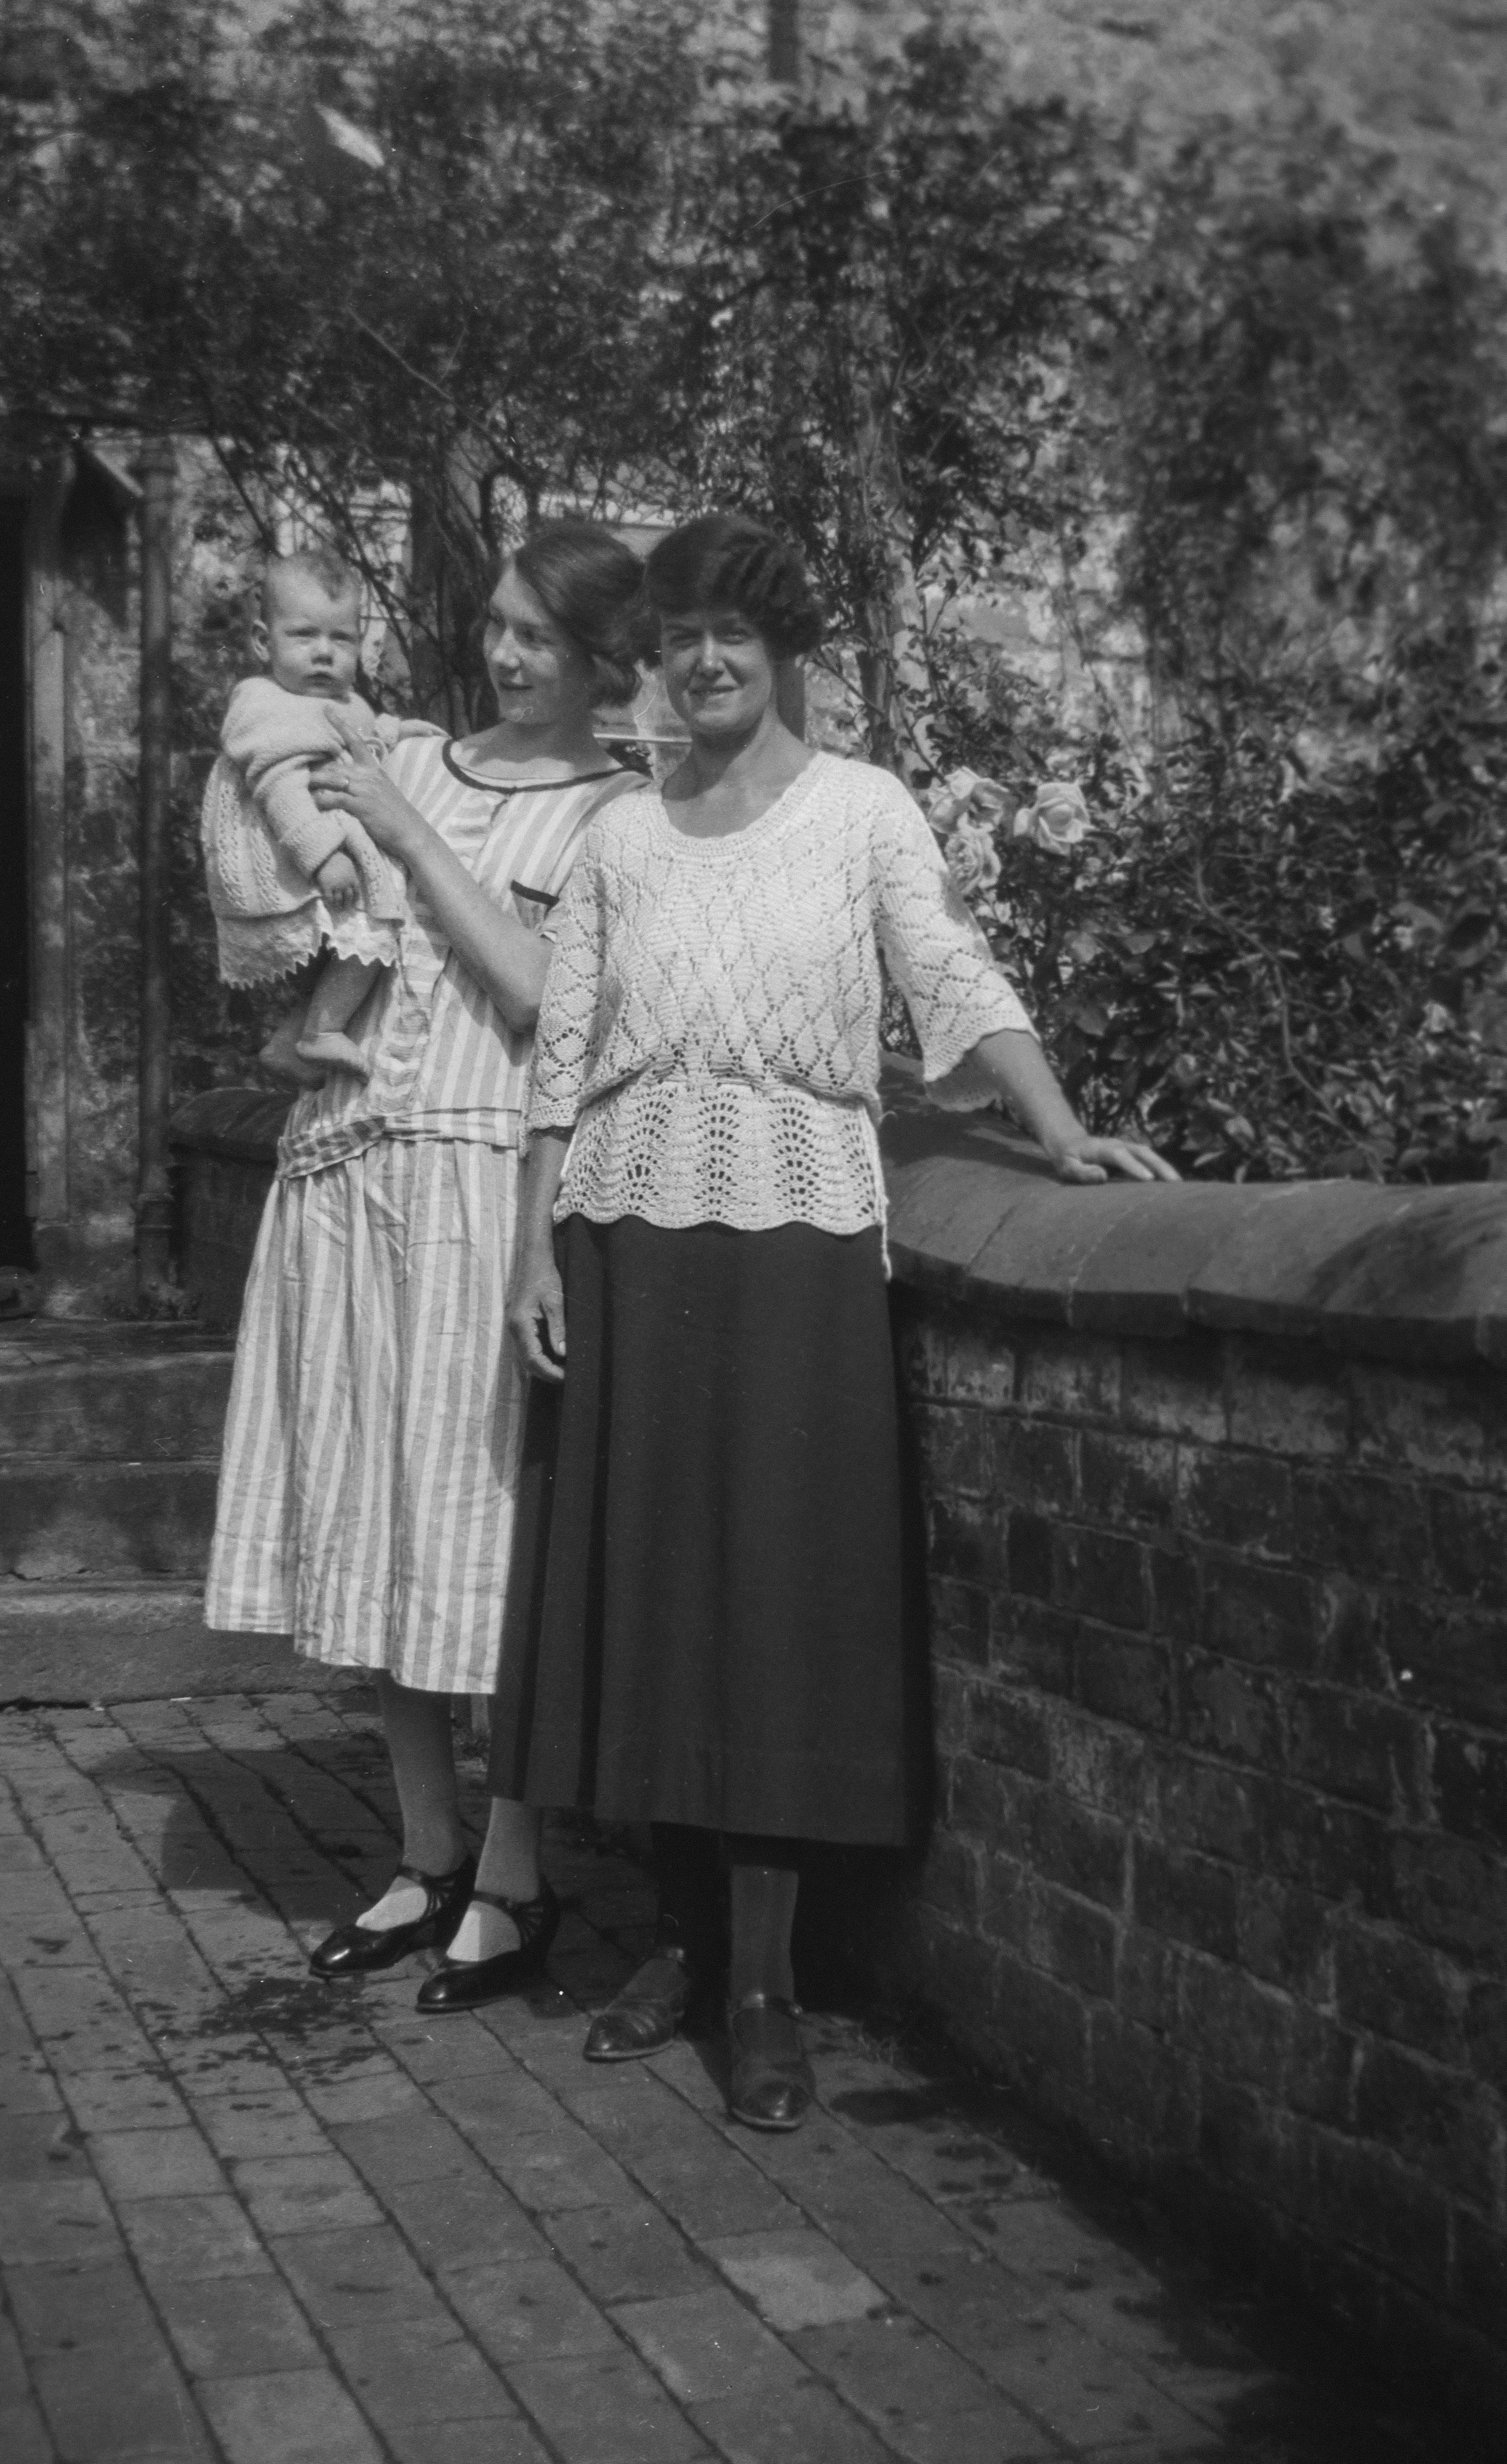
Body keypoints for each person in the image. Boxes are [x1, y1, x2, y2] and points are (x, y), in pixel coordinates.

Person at [492, 512, 1177, 2127]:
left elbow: (949, 971)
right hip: (620, 1232)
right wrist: (532, 1253)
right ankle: (678, 1940)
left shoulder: (863, 810)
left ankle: (766, 1982)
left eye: (736, 631)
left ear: (788, 646)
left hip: (798, 1240)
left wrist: (1060, 1127)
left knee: (777, 1594)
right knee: (654, 1590)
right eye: (680, 635)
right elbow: (563, 1051)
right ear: (650, 654)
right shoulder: (617, 838)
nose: (707, 658)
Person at [204, 519, 646, 2004]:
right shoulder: (407, 749)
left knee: (485, 1532)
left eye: (541, 639)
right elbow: (288, 891)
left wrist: (405, 835)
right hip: (345, 1167)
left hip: (480, 1182)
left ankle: (517, 1876)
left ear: (604, 667)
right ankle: (426, 1851)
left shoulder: (617, 814)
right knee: (379, 1513)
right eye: (503, 625)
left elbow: (544, 1000)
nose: (507, 653)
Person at [200, 544, 417, 1085]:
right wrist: (324, 857)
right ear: (262, 641)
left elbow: (358, 741)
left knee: (345, 943)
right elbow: (281, 786)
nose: (324, 654)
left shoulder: (340, 702)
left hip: (313, 846)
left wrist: (397, 731)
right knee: (380, 920)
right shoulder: (264, 704)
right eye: (304, 636)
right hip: (288, 850)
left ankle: (289, 1040)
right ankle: (323, 1029)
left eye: (340, 638)